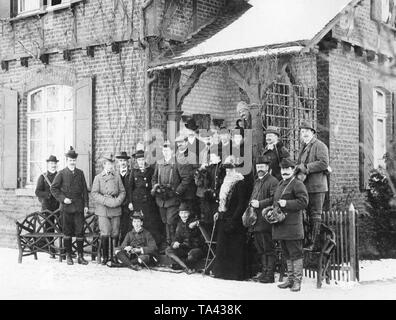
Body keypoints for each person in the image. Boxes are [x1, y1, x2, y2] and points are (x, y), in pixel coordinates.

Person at [270, 158, 309, 292]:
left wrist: (287, 204)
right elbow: (276, 202)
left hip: (293, 226)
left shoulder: (297, 184)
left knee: (296, 254)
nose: (284, 172)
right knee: (286, 254)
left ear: (293, 170)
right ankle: (290, 279)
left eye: (287, 169)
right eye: (282, 169)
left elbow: (304, 202)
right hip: (281, 226)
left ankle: (297, 282)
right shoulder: (281, 183)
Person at [51, 147, 89, 265]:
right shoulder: (61, 173)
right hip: (66, 208)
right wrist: (63, 199)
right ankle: (68, 255)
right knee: (67, 232)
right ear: (66, 161)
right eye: (70, 160)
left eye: (74, 160)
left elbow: (84, 191)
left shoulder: (80, 173)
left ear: (75, 161)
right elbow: (53, 188)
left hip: (78, 207)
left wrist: (86, 205)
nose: (72, 162)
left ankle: (80, 256)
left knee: (79, 232)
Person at [213, 155, 249, 281]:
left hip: (234, 219)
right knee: (223, 245)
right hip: (224, 216)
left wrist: (234, 219)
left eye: (231, 169)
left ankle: (234, 273)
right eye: (227, 169)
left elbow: (241, 203)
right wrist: (218, 211)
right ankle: (222, 272)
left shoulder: (240, 182)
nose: (228, 171)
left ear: (237, 169)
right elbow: (222, 200)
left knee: (234, 246)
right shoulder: (225, 181)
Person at [296, 121, 329, 251]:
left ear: (313, 133)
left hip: (317, 187)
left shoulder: (320, 146)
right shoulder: (304, 147)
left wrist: (306, 168)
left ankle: (314, 244)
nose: (304, 134)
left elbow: (324, 163)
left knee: (315, 214)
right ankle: (307, 240)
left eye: (307, 131)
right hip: (305, 187)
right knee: (307, 214)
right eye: (302, 132)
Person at [248, 156, 279, 283]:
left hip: (266, 220)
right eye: (258, 166)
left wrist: (259, 204)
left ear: (267, 167)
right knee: (260, 248)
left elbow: (274, 199)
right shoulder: (257, 181)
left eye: (262, 166)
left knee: (268, 247)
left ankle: (270, 274)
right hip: (255, 220)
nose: (260, 169)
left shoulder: (273, 181)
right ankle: (264, 272)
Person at [91, 154, 126, 265]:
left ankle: (114, 257)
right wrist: (105, 201)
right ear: (104, 165)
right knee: (105, 232)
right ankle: (105, 257)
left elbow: (123, 192)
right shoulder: (98, 178)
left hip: (115, 208)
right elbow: (94, 193)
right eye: (109, 164)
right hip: (103, 209)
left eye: (112, 164)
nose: (111, 166)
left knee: (115, 233)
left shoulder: (117, 177)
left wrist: (117, 201)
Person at [128, 149, 163, 248]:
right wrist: (130, 202)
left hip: (148, 201)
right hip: (137, 201)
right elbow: (130, 187)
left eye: (142, 159)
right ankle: (137, 244)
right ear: (136, 161)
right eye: (139, 160)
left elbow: (154, 182)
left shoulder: (150, 170)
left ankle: (152, 245)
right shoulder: (133, 171)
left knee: (150, 222)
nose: (141, 162)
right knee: (138, 222)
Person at [151, 141, 181, 248]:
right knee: (164, 221)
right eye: (164, 150)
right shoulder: (159, 163)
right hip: (161, 200)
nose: (165, 152)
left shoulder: (177, 163)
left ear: (172, 151)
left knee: (171, 221)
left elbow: (184, 179)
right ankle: (168, 243)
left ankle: (173, 244)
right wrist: (156, 188)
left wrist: (176, 191)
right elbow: (154, 178)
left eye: (168, 150)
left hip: (172, 199)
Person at [165, 202, 204, 274]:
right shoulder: (179, 224)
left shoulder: (193, 222)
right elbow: (176, 238)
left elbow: (194, 242)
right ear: (179, 214)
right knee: (168, 250)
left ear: (189, 213)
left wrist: (194, 224)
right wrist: (174, 243)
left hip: (195, 249)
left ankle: (180, 265)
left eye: (186, 213)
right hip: (184, 249)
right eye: (182, 213)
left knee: (192, 255)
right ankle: (185, 267)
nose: (184, 215)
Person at [35, 155, 61, 258]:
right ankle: (51, 250)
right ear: (48, 164)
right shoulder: (43, 177)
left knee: (62, 226)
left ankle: (63, 249)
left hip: (59, 205)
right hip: (47, 207)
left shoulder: (60, 176)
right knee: (49, 228)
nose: (53, 165)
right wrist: (48, 194)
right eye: (51, 163)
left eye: (54, 163)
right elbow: (37, 192)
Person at [115, 151, 132, 244]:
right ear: (118, 162)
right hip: (117, 205)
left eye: (124, 160)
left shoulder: (131, 174)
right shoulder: (115, 175)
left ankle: (124, 247)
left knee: (126, 227)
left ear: (127, 162)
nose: (123, 162)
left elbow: (132, 190)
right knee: (116, 228)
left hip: (127, 206)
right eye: (121, 160)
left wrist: (130, 202)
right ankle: (115, 248)